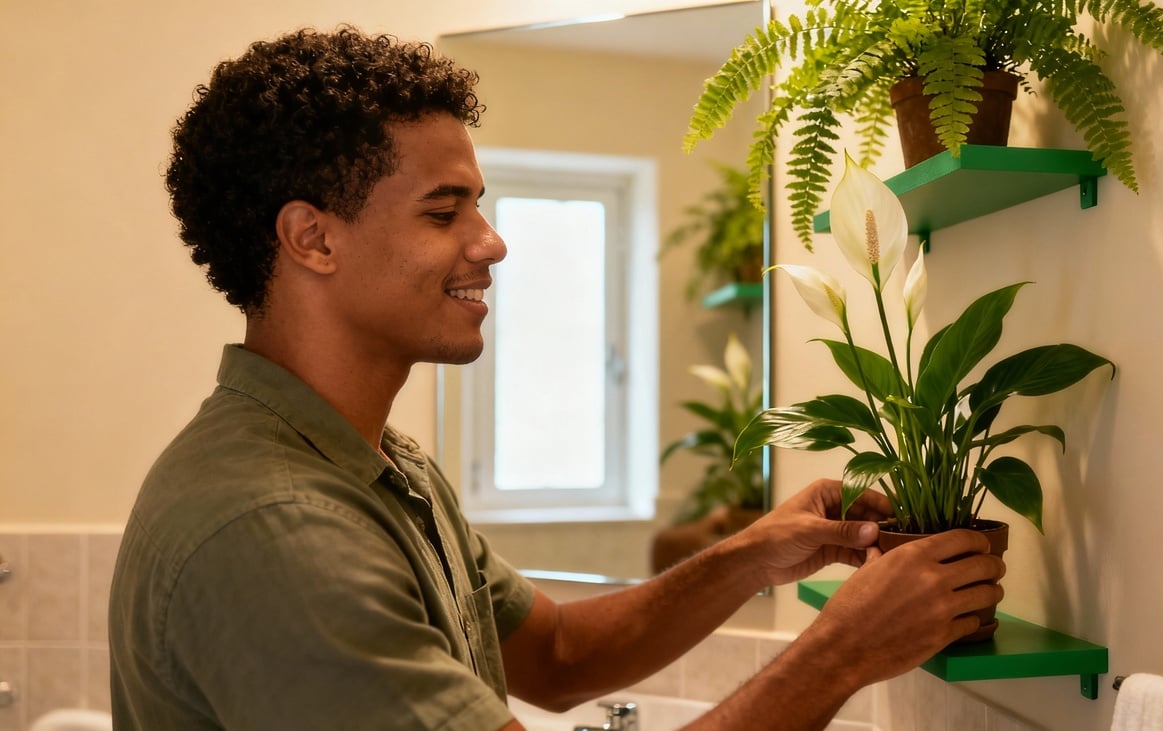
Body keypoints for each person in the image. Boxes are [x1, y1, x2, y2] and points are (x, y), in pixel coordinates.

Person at [108, 27, 1005, 731]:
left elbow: (562, 656)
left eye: (480, 204)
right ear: (313, 238)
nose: (490, 241)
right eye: (443, 209)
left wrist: (756, 554)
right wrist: (842, 652)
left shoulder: (385, 469)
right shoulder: (273, 530)